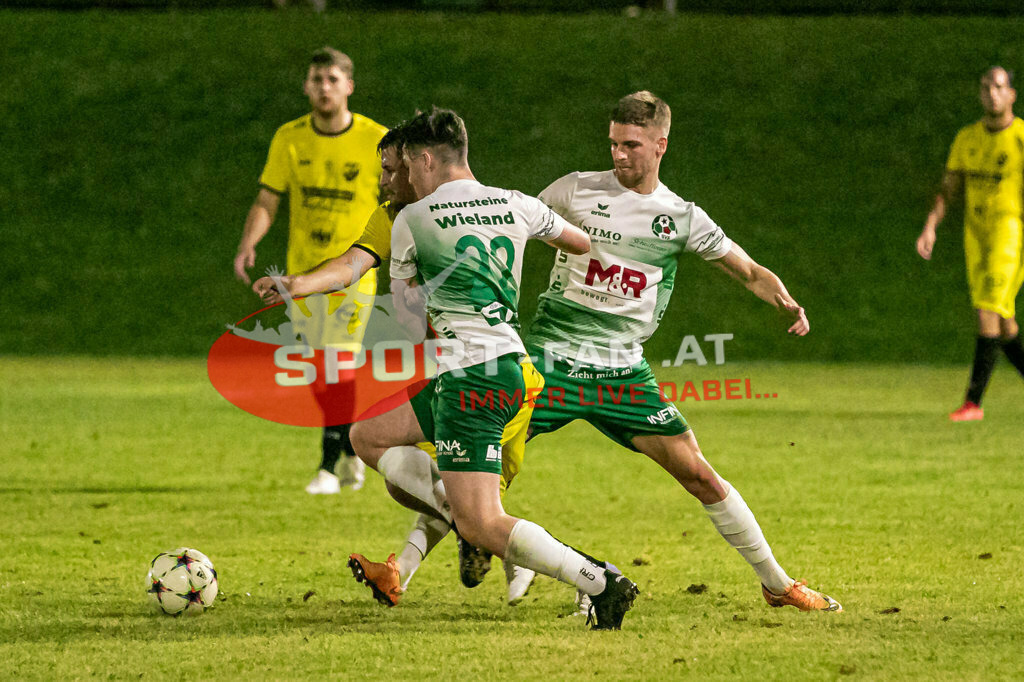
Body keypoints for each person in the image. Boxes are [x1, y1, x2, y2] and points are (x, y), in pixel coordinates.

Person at [349, 92, 841, 616]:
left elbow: (746, 269)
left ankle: (778, 584)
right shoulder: (575, 189)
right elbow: (493, 215)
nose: (619, 155)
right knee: (469, 471)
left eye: (631, 145)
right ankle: (408, 565)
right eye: (613, 143)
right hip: (546, 361)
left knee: (698, 473)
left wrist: (786, 300)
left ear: (660, 145)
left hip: (622, 372)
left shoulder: (680, 218)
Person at [354, 107, 640, 630]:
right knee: (368, 434)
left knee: (483, 524)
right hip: (507, 364)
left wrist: (424, 291)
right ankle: (446, 504)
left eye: (408, 167)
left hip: (469, 378)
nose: (408, 178)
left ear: (424, 159)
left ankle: (600, 580)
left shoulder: (413, 220)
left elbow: (409, 323)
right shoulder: (516, 204)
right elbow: (579, 243)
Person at [235, 47, 387, 493]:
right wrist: (249, 241)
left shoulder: (375, 139)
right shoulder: (290, 137)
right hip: (302, 273)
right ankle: (352, 444)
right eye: (317, 79)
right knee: (320, 369)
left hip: (353, 271)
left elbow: (400, 196)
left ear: (349, 86)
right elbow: (268, 198)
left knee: (338, 362)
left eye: (332, 79)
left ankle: (327, 468)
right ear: (306, 86)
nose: (324, 87)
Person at [916, 66, 1024, 421]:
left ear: (1011, 95)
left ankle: (973, 403)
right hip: (975, 235)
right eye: (986, 87)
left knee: (987, 310)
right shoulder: (967, 138)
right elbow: (949, 187)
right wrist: (931, 225)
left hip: (1010, 234)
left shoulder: (1021, 137)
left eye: (999, 87)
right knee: (1004, 324)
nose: (992, 93)